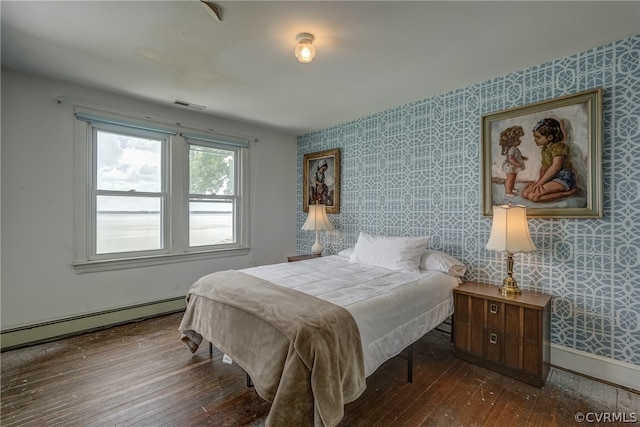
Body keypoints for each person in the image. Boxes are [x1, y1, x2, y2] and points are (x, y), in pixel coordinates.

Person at [522, 118, 578, 202]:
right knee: (525, 193)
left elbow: (555, 167)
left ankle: (567, 193)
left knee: (533, 196)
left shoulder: (559, 147)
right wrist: (539, 182)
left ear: (550, 137)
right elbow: (544, 168)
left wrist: (540, 183)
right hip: (551, 178)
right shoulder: (545, 149)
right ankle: (547, 187)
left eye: (538, 137)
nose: (535, 140)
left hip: (563, 179)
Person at [499, 125, 527, 197]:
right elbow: (511, 158)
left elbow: (516, 156)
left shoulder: (514, 148)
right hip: (510, 166)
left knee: (513, 178)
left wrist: (522, 157)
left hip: (513, 166)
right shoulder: (512, 149)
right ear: (511, 141)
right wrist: (517, 164)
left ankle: (512, 188)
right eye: (517, 139)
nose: (519, 141)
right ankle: (508, 192)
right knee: (510, 179)